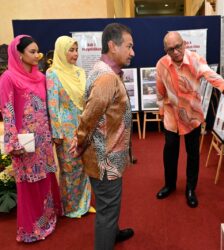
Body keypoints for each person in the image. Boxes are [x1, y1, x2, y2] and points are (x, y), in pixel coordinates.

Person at [156, 31, 224, 208]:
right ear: (166, 50)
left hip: (192, 115)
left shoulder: (195, 59)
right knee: (170, 151)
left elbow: (210, 75)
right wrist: (160, 106)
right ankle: (170, 185)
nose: (175, 52)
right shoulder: (162, 64)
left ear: (184, 44)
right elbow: (159, 88)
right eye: (170, 49)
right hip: (172, 115)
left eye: (178, 47)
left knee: (193, 154)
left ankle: (190, 189)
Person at [69, 23, 135, 250]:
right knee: (107, 210)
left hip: (108, 154)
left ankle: (113, 233)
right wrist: (78, 141)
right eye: (129, 46)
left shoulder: (102, 70)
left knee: (110, 205)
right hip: (105, 159)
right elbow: (89, 117)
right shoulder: (106, 78)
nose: (132, 52)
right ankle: (107, 239)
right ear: (112, 46)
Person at [0, 35, 62, 242]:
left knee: (45, 179)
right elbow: (7, 110)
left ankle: (47, 219)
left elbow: (48, 108)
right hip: (24, 143)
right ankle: (31, 228)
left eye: (38, 51)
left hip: (43, 140)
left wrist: (54, 132)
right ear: (19, 53)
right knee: (28, 185)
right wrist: (13, 142)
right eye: (32, 52)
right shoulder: (8, 78)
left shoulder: (41, 77)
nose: (38, 55)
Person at [46, 36, 95, 218]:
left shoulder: (80, 72)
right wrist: (56, 132)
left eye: (76, 50)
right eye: (71, 50)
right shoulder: (53, 73)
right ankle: (70, 206)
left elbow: (87, 100)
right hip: (65, 128)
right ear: (61, 51)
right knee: (69, 168)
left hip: (82, 125)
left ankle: (84, 202)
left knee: (84, 165)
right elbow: (53, 104)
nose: (75, 54)